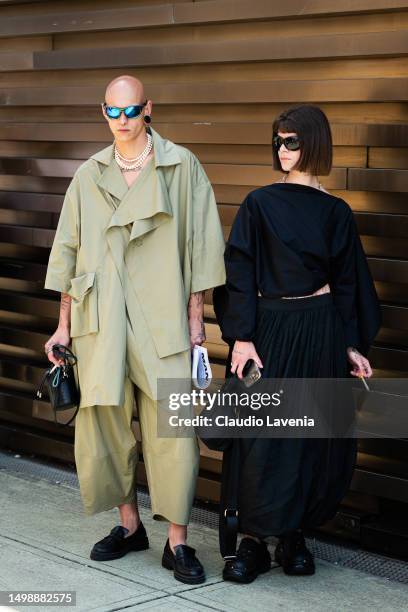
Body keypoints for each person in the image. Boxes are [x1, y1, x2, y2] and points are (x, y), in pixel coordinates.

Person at [43, 75, 226, 584]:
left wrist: (196, 325)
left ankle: (178, 542)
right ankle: (129, 526)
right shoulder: (88, 174)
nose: (121, 121)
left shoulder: (181, 166)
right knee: (106, 425)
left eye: (130, 111)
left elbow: (201, 247)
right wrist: (62, 328)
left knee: (176, 431)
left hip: (163, 315)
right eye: (111, 111)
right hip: (100, 320)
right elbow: (68, 254)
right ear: (103, 113)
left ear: (148, 109)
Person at [213, 104, 381, 583]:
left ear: (314, 144)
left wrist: (351, 345)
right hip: (268, 328)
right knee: (261, 437)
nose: (281, 150)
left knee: (310, 436)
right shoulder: (259, 202)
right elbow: (239, 271)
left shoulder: (336, 211)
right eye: (277, 141)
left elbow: (349, 283)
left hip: (321, 327)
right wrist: (241, 338)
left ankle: (293, 538)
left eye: (291, 141)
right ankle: (251, 543)